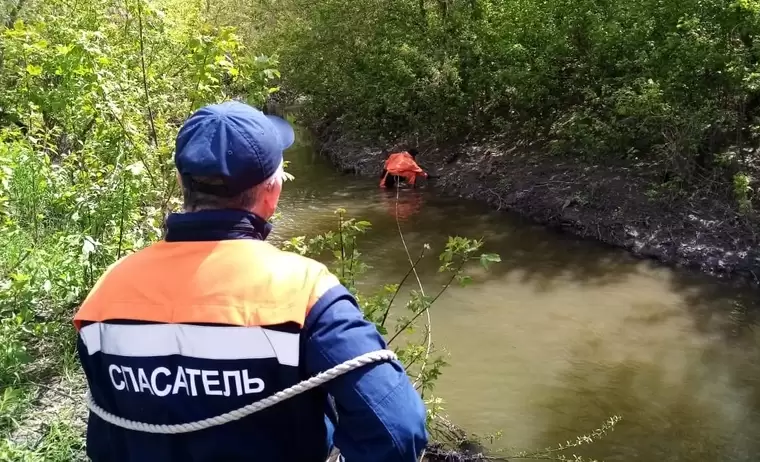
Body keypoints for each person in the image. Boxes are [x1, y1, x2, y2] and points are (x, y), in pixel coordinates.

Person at [72, 101, 428, 462]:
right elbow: (398, 430)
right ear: (272, 192)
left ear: (181, 181)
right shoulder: (303, 289)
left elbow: (107, 431)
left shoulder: (107, 290)